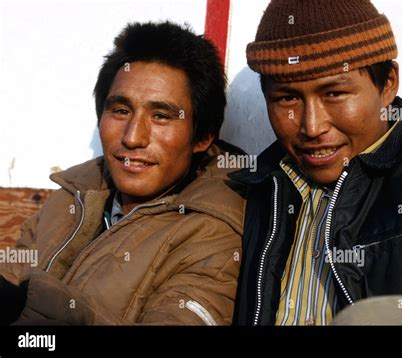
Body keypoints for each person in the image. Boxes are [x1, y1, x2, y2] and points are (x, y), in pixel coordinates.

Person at [231, 0, 402, 325]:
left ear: (387, 83)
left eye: (334, 94)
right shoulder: (257, 186)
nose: (312, 126)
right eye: (287, 98)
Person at [0, 21, 245, 325]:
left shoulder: (216, 236)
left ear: (203, 137)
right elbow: (10, 273)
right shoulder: (72, 196)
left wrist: (29, 309)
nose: (132, 137)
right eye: (120, 110)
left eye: (161, 116)